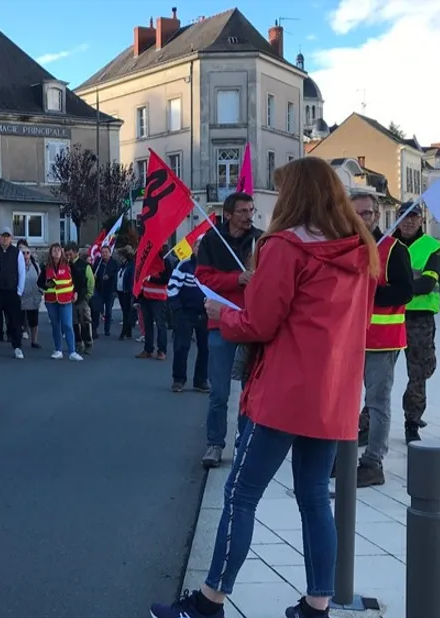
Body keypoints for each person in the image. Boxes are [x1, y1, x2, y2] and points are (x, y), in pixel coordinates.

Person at [149, 157, 379, 618]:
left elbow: (260, 321)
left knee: (240, 495)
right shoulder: (360, 249)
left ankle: (210, 601)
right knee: (315, 498)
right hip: (332, 395)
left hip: (280, 392)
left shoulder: (284, 246)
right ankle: (317, 604)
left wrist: (222, 316)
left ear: (294, 196)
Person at [197, 192, 263, 469]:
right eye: (243, 211)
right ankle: (215, 443)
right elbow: (203, 278)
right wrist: (236, 278)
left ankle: (244, 444)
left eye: (251, 210)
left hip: (251, 322)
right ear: (228, 214)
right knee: (220, 391)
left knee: (251, 390)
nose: (249, 215)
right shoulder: (212, 241)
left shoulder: (261, 239)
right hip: (220, 323)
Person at [353, 191, 413, 488]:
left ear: (377, 216)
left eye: (365, 213)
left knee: (377, 403)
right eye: (353, 214)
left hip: (382, 339)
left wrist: (365, 293)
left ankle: (373, 462)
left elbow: (405, 292)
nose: (360, 219)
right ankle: (343, 456)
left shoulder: (393, 249)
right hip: (348, 340)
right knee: (346, 403)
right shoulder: (344, 248)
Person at [393, 203, 440, 442]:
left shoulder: (432, 247)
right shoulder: (387, 244)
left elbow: (427, 285)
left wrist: (395, 287)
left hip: (420, 319)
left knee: (421, 371)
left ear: (421, 220)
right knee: (378, 373)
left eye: (413, 218)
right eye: (403, 217)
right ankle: (368, 422)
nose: (408, 222)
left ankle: (412, 418)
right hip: (390, 315)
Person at [167, 238, 210, 393]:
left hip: (206, 314)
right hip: (185, 313)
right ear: (193, 248)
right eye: (198, 245)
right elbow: (172, 288)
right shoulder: (184, 266)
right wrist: (177, 309)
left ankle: (201, 381)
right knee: (181, 347)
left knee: (205, 348)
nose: (201, 248)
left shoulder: (211, 267)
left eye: (203, 246)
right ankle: (178, 380)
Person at [39, 244, 84, 361]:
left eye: (58, 249)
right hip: (51, 300)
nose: (56, 251)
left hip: (66, 299)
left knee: (67, 325)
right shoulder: (46, 266)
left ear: (62, 252)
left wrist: (76, 292)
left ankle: (72, 351)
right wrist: (46, 285)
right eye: (54, 250)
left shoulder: (69, 264)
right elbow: (40, 283)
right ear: (50, 252)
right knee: (55, 326)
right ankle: (58, 349)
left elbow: (80, 279)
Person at [0, 228, 26, 359]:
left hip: (12, 291)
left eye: (8, 236)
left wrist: (19, 291)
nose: (5, 239)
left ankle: (17, 347)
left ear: (11, 238)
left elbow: (21, 272)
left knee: (15, 321)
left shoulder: (17, 253)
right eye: (3, 236)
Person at [136, 256, 172, 360]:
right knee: (148, 325)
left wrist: (151, 278)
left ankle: (162, 351)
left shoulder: (165, 260)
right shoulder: (146, 260)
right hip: (146, 296)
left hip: (159, 298)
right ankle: (148, 350)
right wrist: (139, 296)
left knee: (160, 325)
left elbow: (166, 279)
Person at [65, 242, 96, 354]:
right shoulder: (66, 265)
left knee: (85, 322)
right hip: (68, 298)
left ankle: (88, 343)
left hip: (82, 299)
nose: (68, 256)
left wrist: (87, 296)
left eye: (70, 254)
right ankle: (78, 343)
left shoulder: (84, 265)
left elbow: (91, 281)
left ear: (76, 252)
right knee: (73, 323)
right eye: (67, 254)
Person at [19, 243, 43, 348]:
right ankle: (17, 341)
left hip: (33, 297)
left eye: (27, 253)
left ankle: (34, 341)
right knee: (18, 321)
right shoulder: (17, 265)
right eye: (23, 253)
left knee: (34, 321)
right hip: (21, 297)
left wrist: (41, 291)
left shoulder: (35, 265)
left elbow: (41, 278)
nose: (26, 255)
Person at [92, 245, 118, 337]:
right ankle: (95, 328)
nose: (104, 254)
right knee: (97, 309)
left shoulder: (114, 263)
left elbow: (116, 274)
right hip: (99, 290)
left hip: (110, 291)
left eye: (106, 252)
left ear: (110, 253)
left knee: (108, 311)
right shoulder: (98, 262)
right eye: (102, 252)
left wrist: (109, 276)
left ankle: (107, 330)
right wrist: (94, 277)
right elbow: (93, 272)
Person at [116, 246, 137, 340]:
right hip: (121, 292)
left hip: (127, 292)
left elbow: (131, 279)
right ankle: (128, 331)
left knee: (126, 313)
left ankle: (123, 332)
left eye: (122, 257)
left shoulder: (131, 266)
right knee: (125, 311)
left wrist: (130, 291)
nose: (121, 259)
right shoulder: (122, 266)